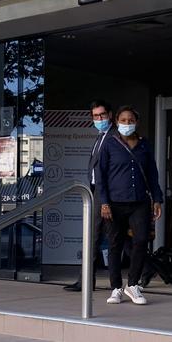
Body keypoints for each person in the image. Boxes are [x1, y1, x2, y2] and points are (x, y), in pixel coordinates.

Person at [97, 105, 163, 305]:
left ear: (137, 122)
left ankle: (132, 285)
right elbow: (100, 175)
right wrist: (104, 202)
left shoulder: (144, 145)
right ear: (117, 122)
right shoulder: (109, 144)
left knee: (141, 241)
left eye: (131, 120)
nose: (127, 123)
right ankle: (116, 288)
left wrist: (157, 199)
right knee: (115, 245)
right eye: (123, 120)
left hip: (139, 203)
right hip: (114, 203)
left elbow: (152, 173)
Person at [63, 100, 117, 292]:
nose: (99, 119)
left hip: (107, 194)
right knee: (97, 238)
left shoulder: (115, 136)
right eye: (95, 116)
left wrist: (106, 198)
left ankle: (117, 283)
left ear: (110, 115)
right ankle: (87, 281)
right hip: (96, 191)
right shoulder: (100, 136)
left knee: (108, 239)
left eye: (102, 115)